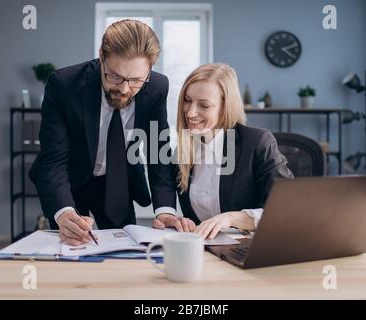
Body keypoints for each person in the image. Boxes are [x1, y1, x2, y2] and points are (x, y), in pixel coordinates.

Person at [29, 20, 180, 246]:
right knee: (72, 248)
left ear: (150, 68)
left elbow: (159, 151)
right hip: (69, 180)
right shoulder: (64, 85)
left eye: (137, 80)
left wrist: (166, 210)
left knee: (125, 250)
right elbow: (53, 158)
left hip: (118, 181)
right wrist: (63, 212)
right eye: (116, 76)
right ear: (102, 56)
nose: (125, 88)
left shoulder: (157, 87)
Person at [153, 63, 294, 239]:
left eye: (204, 105)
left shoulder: (257, 143)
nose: (190, 113)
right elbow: (163, 182)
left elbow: (288, 208)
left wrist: (232, 218)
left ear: (225, 107)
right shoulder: (184, 150)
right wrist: (168, 216)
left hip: (250, 248)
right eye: (187, 101)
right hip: (203, 250)